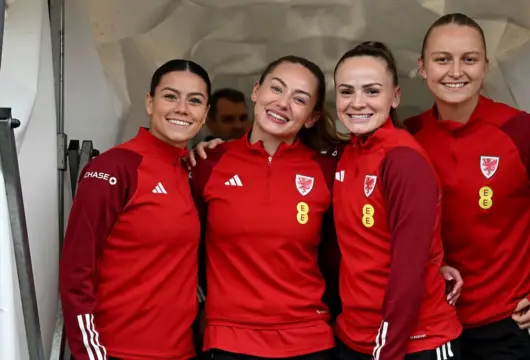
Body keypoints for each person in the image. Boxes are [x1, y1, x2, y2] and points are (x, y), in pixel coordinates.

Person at [404, 13, 530, 360]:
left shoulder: (526, 133)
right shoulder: (407, 139)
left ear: (486, 67)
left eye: (469, 59)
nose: (456, 71)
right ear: (423, 67)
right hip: (431, 323)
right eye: (442, 59)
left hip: (508, 324)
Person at [190, 55, 344, 360]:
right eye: (277, 89)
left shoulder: (328, 170)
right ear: (256, 92)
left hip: (309, 341)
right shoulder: (208, 163)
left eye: (299, 99)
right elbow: (182, 248)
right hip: (228, 341)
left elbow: (350, 249)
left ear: (311, 117)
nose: (283, 103)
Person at [59, 59, 210, 360]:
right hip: (117, 352)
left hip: (182, 353)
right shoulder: (116, 166)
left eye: (194, 101)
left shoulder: (191, 170)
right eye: (170, 96)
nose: (182, 108)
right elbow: (77, 272)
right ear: (150, 103)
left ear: (204, 115)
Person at [331, 41, 462, 360]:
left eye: (372, 91)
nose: (357, 102)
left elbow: (409, 268)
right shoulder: (348, 154)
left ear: (395, 97)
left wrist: (387, 348)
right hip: (356, 336)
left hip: (414, 342)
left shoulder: (402, 159)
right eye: (346, 91)